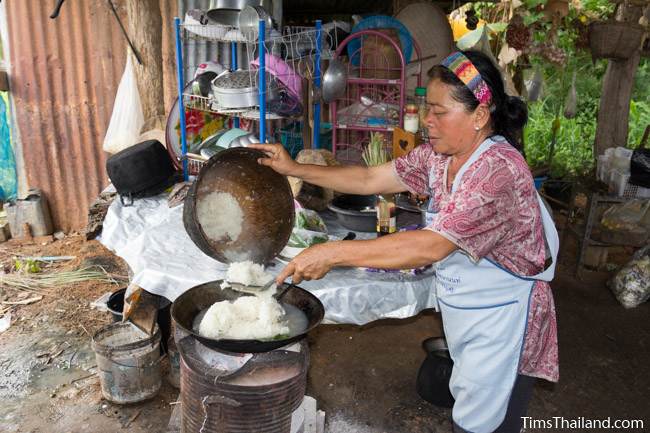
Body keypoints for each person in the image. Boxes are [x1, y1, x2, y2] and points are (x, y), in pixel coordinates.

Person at [249, 50, 559, 433]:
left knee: (485, 424)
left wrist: (332, 252)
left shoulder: (498, 172)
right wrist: (293, 167)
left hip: (506, 321)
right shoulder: (439, 157)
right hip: (472, 312)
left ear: (479, 116)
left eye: (439, 111)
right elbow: (368, 180)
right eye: (425, 107)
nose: (427, 120)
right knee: (473, 410)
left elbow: (431, 246)